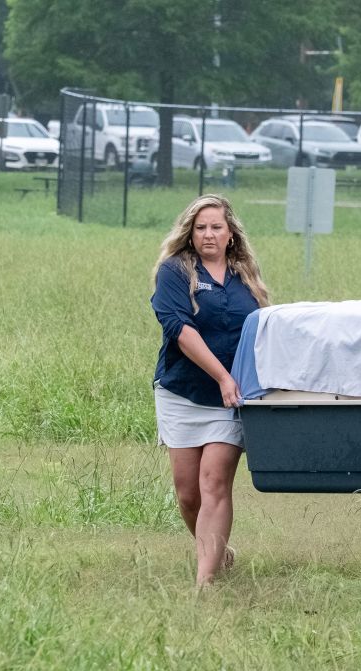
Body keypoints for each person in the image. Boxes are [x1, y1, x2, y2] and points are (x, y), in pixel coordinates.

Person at [151, 194, 270, 586]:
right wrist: (220, 374)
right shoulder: (175, 271)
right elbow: (181, 331)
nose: (208, 234)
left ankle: (205, 583)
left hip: (231, 399)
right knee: (188, 496)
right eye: (200, 227)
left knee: (214, 482)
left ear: (231, 234)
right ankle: (219, 550)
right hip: (182, 393)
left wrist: (244, 382)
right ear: (190, 233)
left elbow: (261, 332)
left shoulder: (246, 277)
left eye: (216, 227)